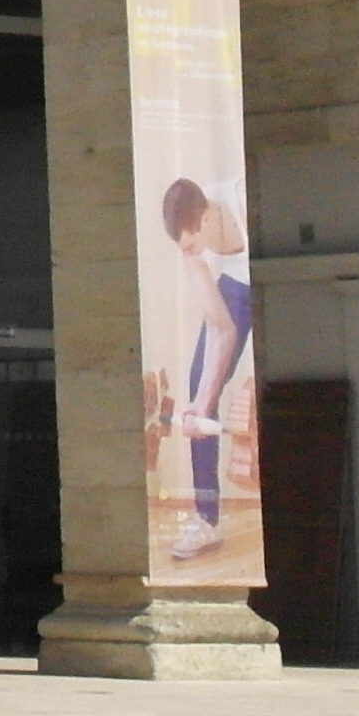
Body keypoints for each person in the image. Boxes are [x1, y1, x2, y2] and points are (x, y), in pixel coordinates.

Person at [159, 173, 258, 545]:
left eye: (192, 244)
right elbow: (222, 329)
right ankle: (206, 520)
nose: (191, 252)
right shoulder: (192, 250)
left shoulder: (240, 200)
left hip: (268, 269)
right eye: (184, 248)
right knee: (200, 380)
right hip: (237, 283)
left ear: (204, 219)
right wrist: (201, 405)